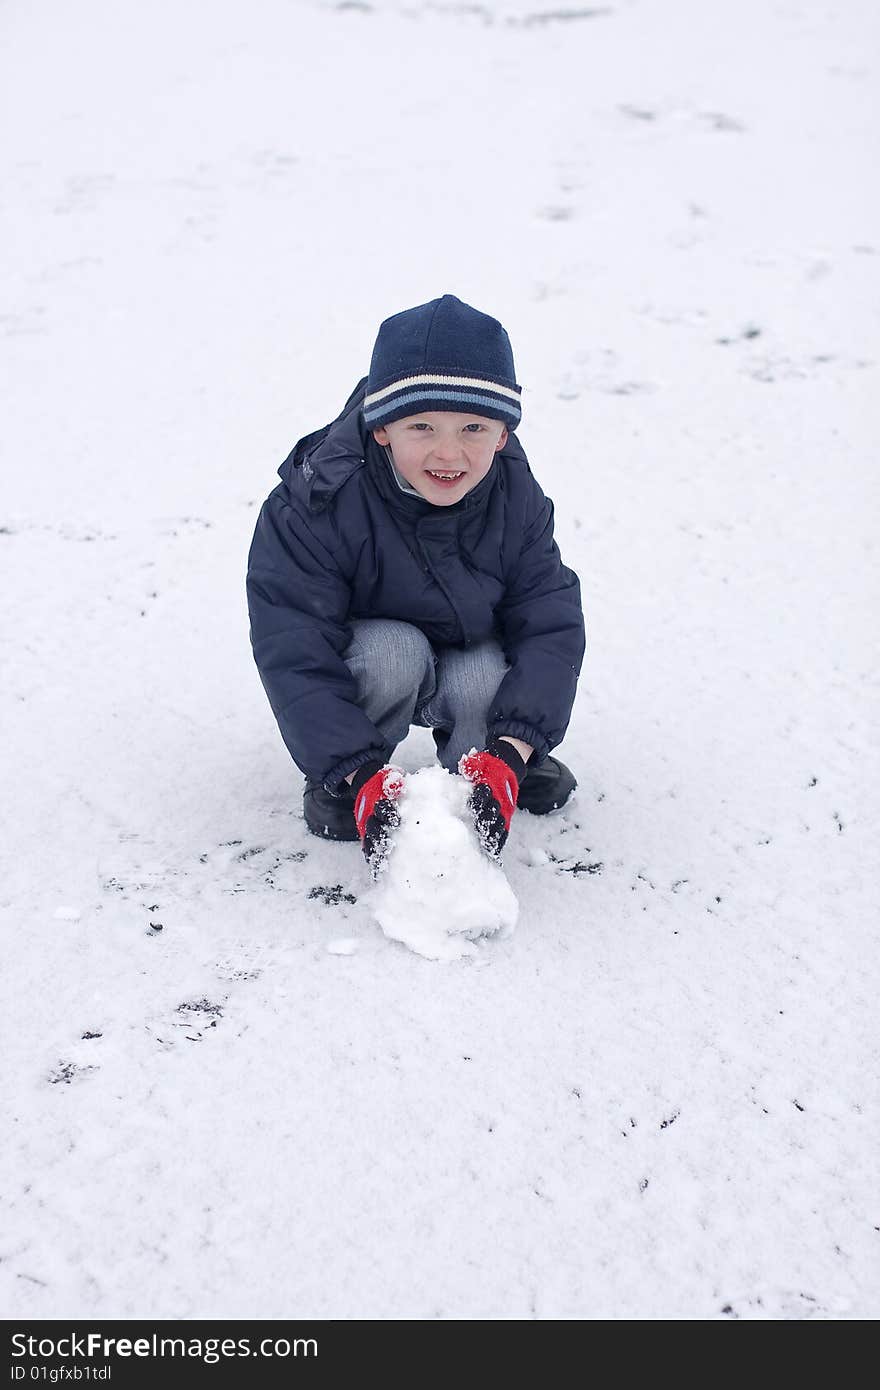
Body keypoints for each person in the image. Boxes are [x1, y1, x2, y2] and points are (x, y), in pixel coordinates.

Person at [246, 294, 585, 875]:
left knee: (482, 678)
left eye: (474, 427)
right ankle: (350, 779)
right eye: (421, 426)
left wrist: (515, 747)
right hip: (375, 655)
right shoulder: (317, 502)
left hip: (467, 648)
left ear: (503, 434)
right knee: (392, 653)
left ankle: (483, 778)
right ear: (381, 429)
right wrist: (351, 767)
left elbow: (549, 621)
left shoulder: (516, 498)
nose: (448, 452)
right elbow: (293, 643)